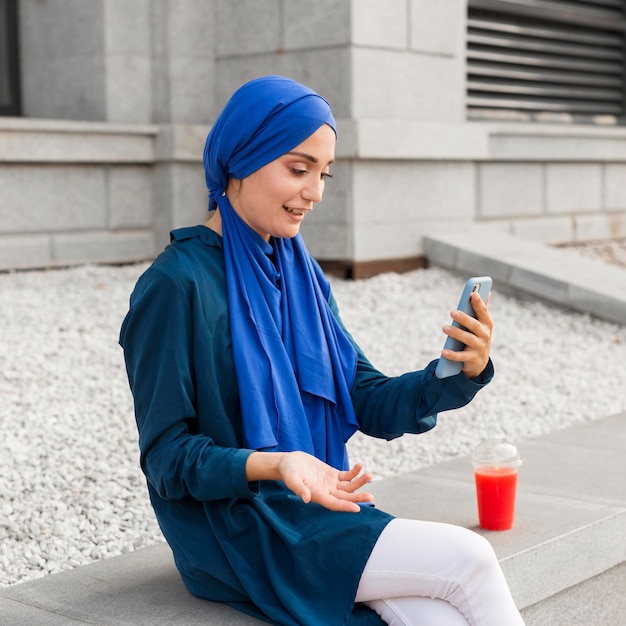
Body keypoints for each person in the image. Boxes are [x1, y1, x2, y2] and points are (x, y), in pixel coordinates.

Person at [119, 75, 524, 626]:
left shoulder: (302, 277)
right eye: (298, 168)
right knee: (468, 558)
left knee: (438, 617)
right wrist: (277, 463)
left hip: (315, 507)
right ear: (241, 160)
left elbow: (365, 396)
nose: (316, 192)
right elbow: (166, 459)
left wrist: (453, 372)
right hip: (237, 529)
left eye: (324, 173)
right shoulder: (175, 285)